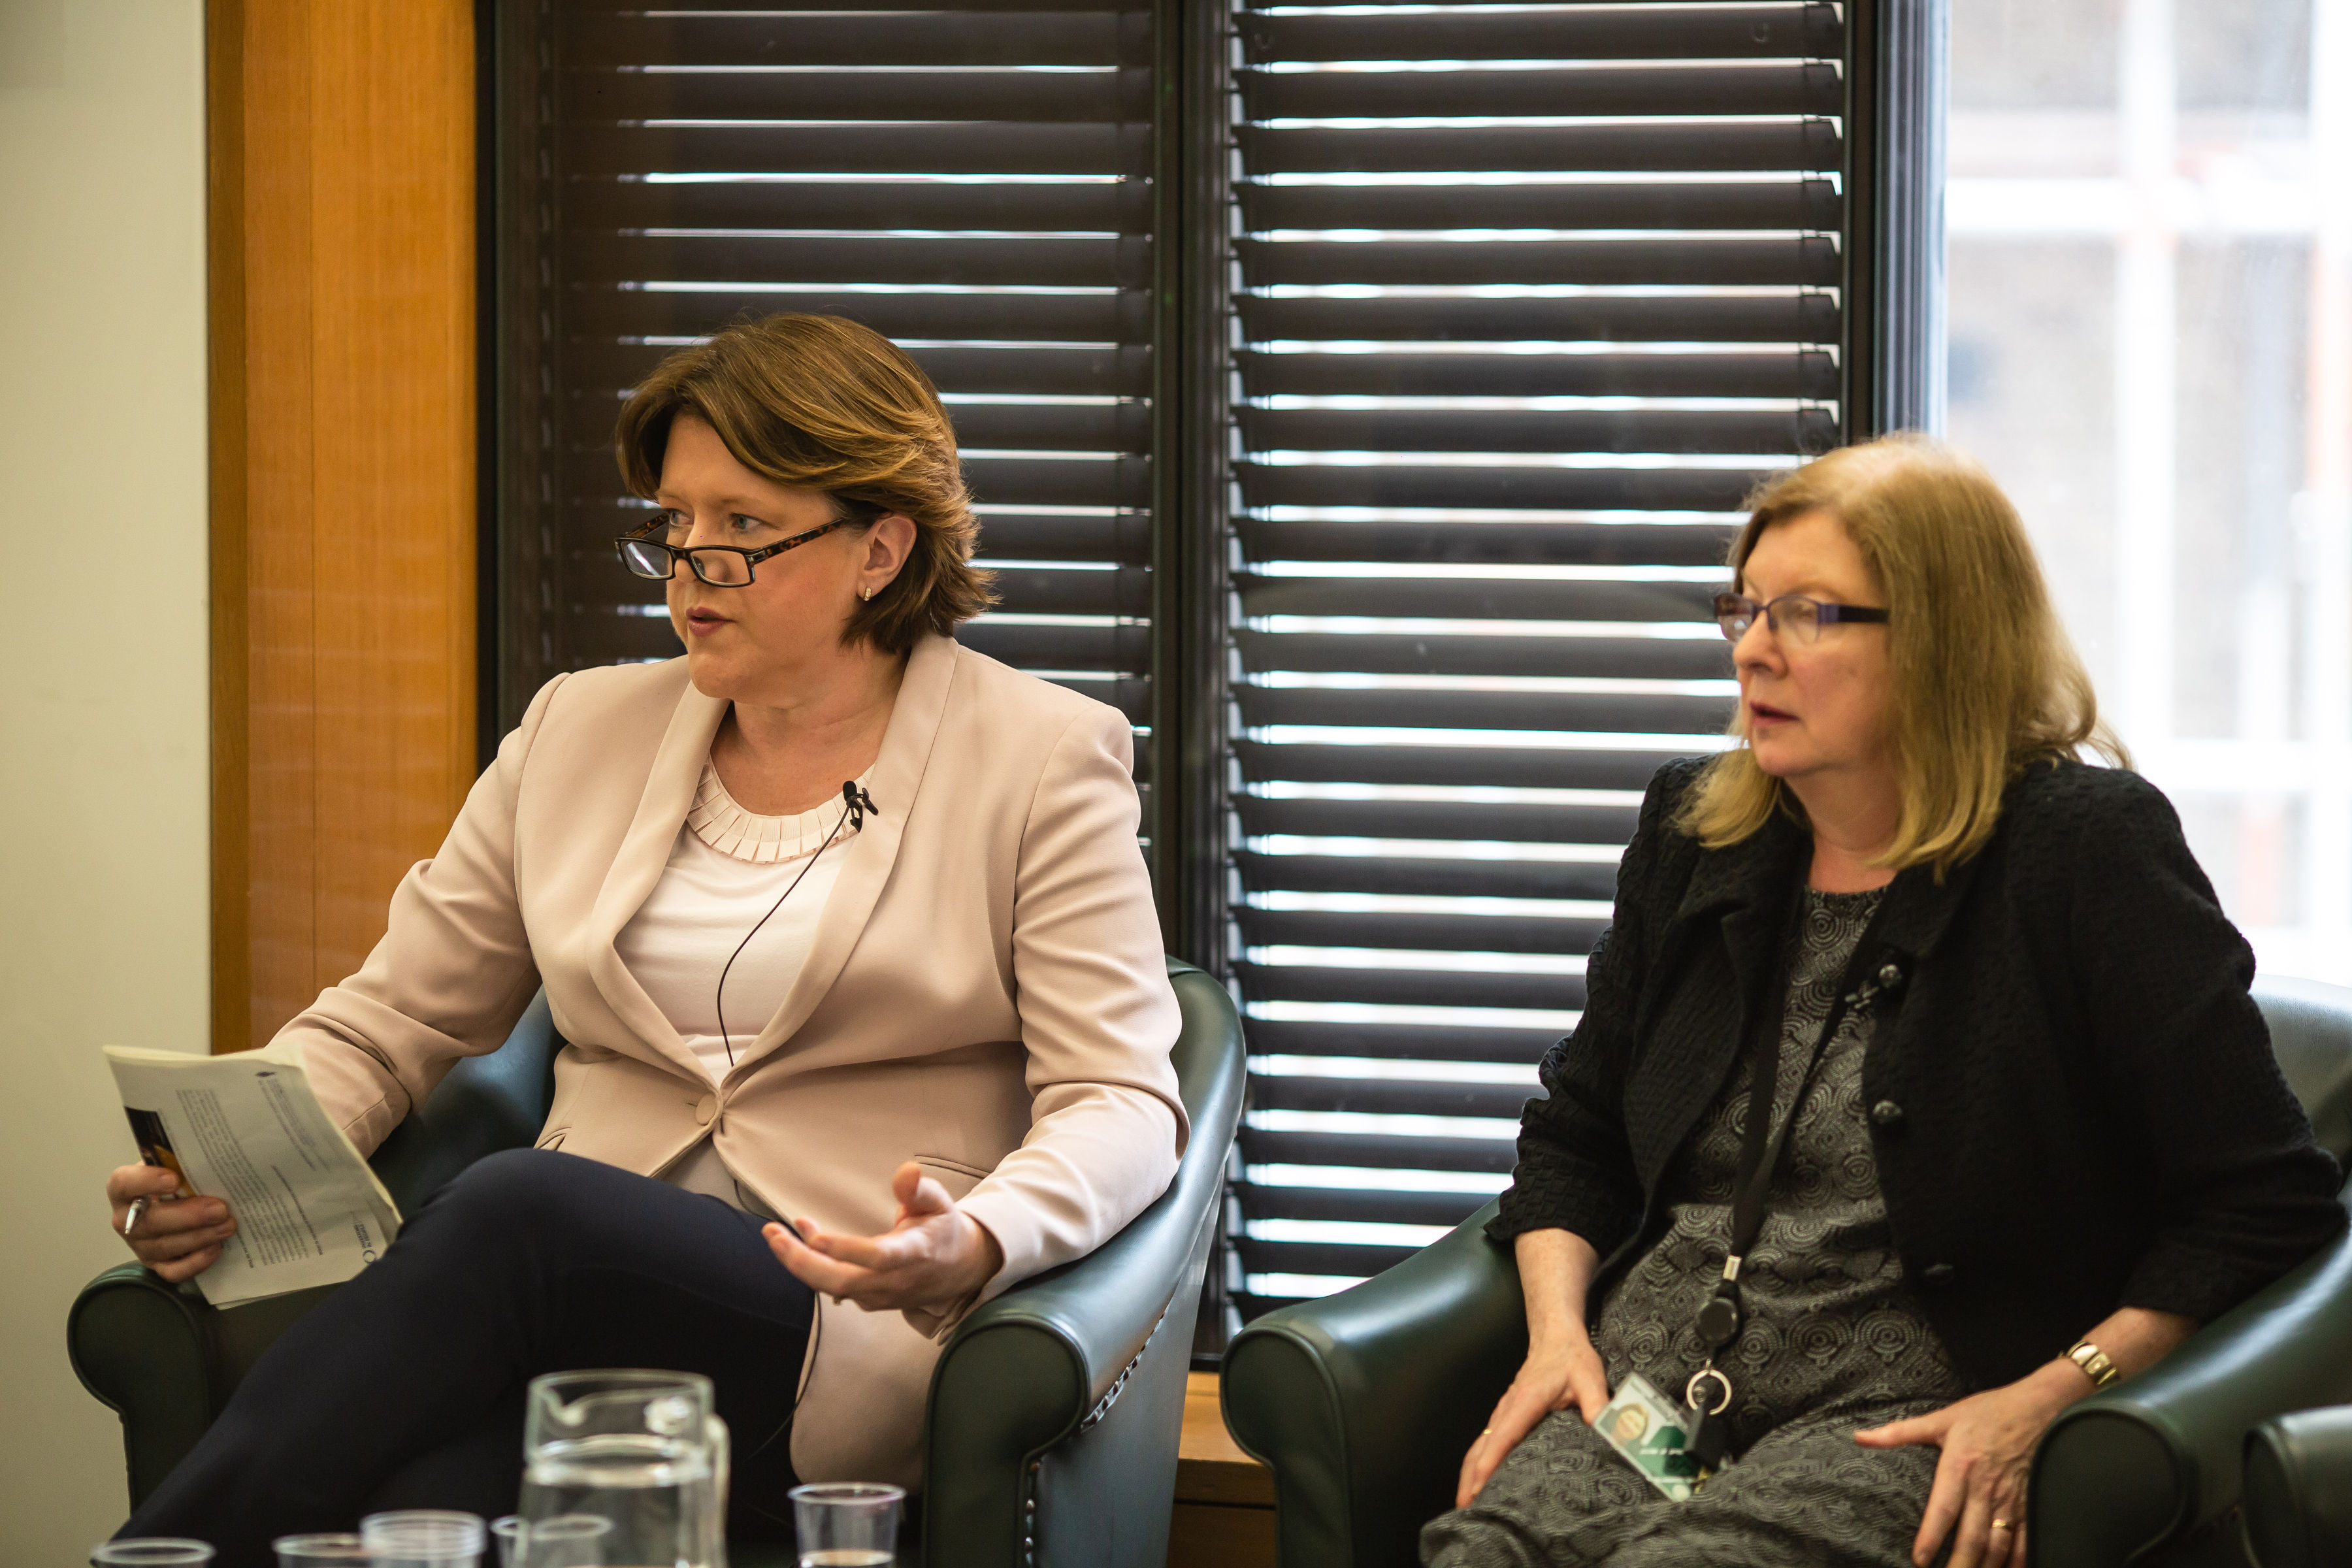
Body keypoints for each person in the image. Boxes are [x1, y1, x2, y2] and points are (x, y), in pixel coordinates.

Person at [103, 314, 1187, 1562]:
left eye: (740, 532)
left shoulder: (1046, 756)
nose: (687, 569)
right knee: (419, 1518)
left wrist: (977, 1236)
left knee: (519, 1207)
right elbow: (394, 1015)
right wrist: (226, 1160)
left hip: (828, 1311)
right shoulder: (579, 728)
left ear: (880, 550)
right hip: (565, 1327)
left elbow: (1119, 1098)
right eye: (673, 525)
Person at [1428, 436, 2345, 1568]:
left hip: (1899, 1419)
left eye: (1805, 615)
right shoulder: (1695, 833)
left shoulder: (2084, 856)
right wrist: (1558, 1340)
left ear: (1941, 642)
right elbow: (1577, 1136)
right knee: (1486, 1556)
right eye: (1745, 609)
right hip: (1657, 1404)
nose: (1752, 653)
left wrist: (2059, 1392)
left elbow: (2262, 1206)